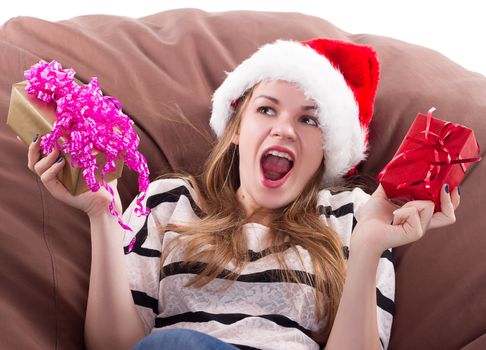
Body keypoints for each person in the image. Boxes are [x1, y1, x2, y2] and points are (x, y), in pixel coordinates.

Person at [27, 38, 460, 350]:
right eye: (267, 109)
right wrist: (103, 218)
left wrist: (367, 246)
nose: (284, 128)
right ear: (236, 128)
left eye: (309, 121)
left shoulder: (354, 215)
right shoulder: (167, 200)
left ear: (327, 148)